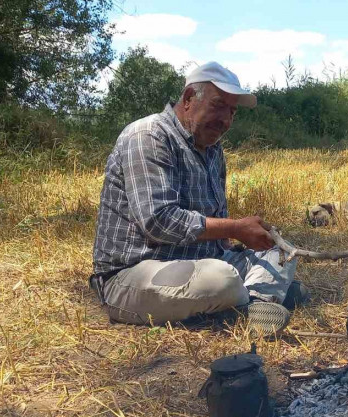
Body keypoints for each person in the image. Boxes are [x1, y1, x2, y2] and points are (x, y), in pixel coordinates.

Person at [89, 62, 307, 334]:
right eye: (218, 106)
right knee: (221, 280)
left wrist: (242, 240)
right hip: (133, 274)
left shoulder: (213, 148)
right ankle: (253, 296)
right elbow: (158, 221)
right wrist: (236, 228)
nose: (226, 120)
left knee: (280, 251)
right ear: (189, 98)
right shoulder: (148, 135)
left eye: (232, 111)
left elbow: (217, 229)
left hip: (200, 263)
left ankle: (254, 304)